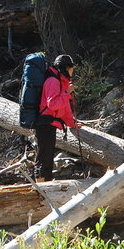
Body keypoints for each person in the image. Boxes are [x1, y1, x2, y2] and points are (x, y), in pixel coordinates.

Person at [34, 54, 79, 182]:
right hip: (44, 124)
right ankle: (41, 189)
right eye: (71, 68)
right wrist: (67, 93)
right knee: (44, 157)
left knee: (48, 156)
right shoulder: (52, 81)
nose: (72, 71)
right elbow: (53, 104)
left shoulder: (61, 82)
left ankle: (46, 185)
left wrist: (71, 123)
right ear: (65, 68)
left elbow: (64, 109)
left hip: (50, 124)